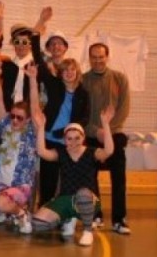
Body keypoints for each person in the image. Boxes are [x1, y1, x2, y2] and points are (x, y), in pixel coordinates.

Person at [31, 106, 115, 247]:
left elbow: (109, 151)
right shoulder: (61, 153)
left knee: (83, 193)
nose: (73, 142)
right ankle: (68, 218)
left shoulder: (91, 153)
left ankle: (87, 231)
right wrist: (41, 128)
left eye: (77, 138)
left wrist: (106, 124)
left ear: (83, 138)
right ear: (64, 140)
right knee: (38, 223)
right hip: (66, 199)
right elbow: (42, 152)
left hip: (88, 200)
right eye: (69, 139)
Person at [0, 60, 39, 234]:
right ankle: (5, 209)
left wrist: (32, 80)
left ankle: (21, 213)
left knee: (0, 203)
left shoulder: (31, 132)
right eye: (12, 116)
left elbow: (35, 108)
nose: (14, 120)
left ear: (27, 119)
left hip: (21, 185)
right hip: (1, 184)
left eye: (20, 118)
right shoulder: (4, 126)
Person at [82, 43, 131, 234]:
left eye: (101, 57)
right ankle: (96, 214)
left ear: (107, 57)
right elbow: (81, 114)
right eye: (94, 57)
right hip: (92, 136)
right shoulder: (83, 81)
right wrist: (96, 131)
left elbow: (123, 109)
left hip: (114, 134)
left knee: (119, 177)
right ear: (89, 58)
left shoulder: (120, 79)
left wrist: (108, 131)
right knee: (89, 176)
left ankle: (119, 220)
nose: (97, 60)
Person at [31, 57, 89, 207]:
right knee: (47, 180)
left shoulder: (83, 93)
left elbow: (85, 118)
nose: (69, 73)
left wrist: (66, 131)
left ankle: (65, 210)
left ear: (77, 72)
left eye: (72, 69)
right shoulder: (54, 85)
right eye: (65, 70)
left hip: (69, 142)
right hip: (49, 139)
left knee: (67, 179)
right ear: (60, 73)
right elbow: (41, 66)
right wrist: (36, 42)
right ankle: (44, 208)